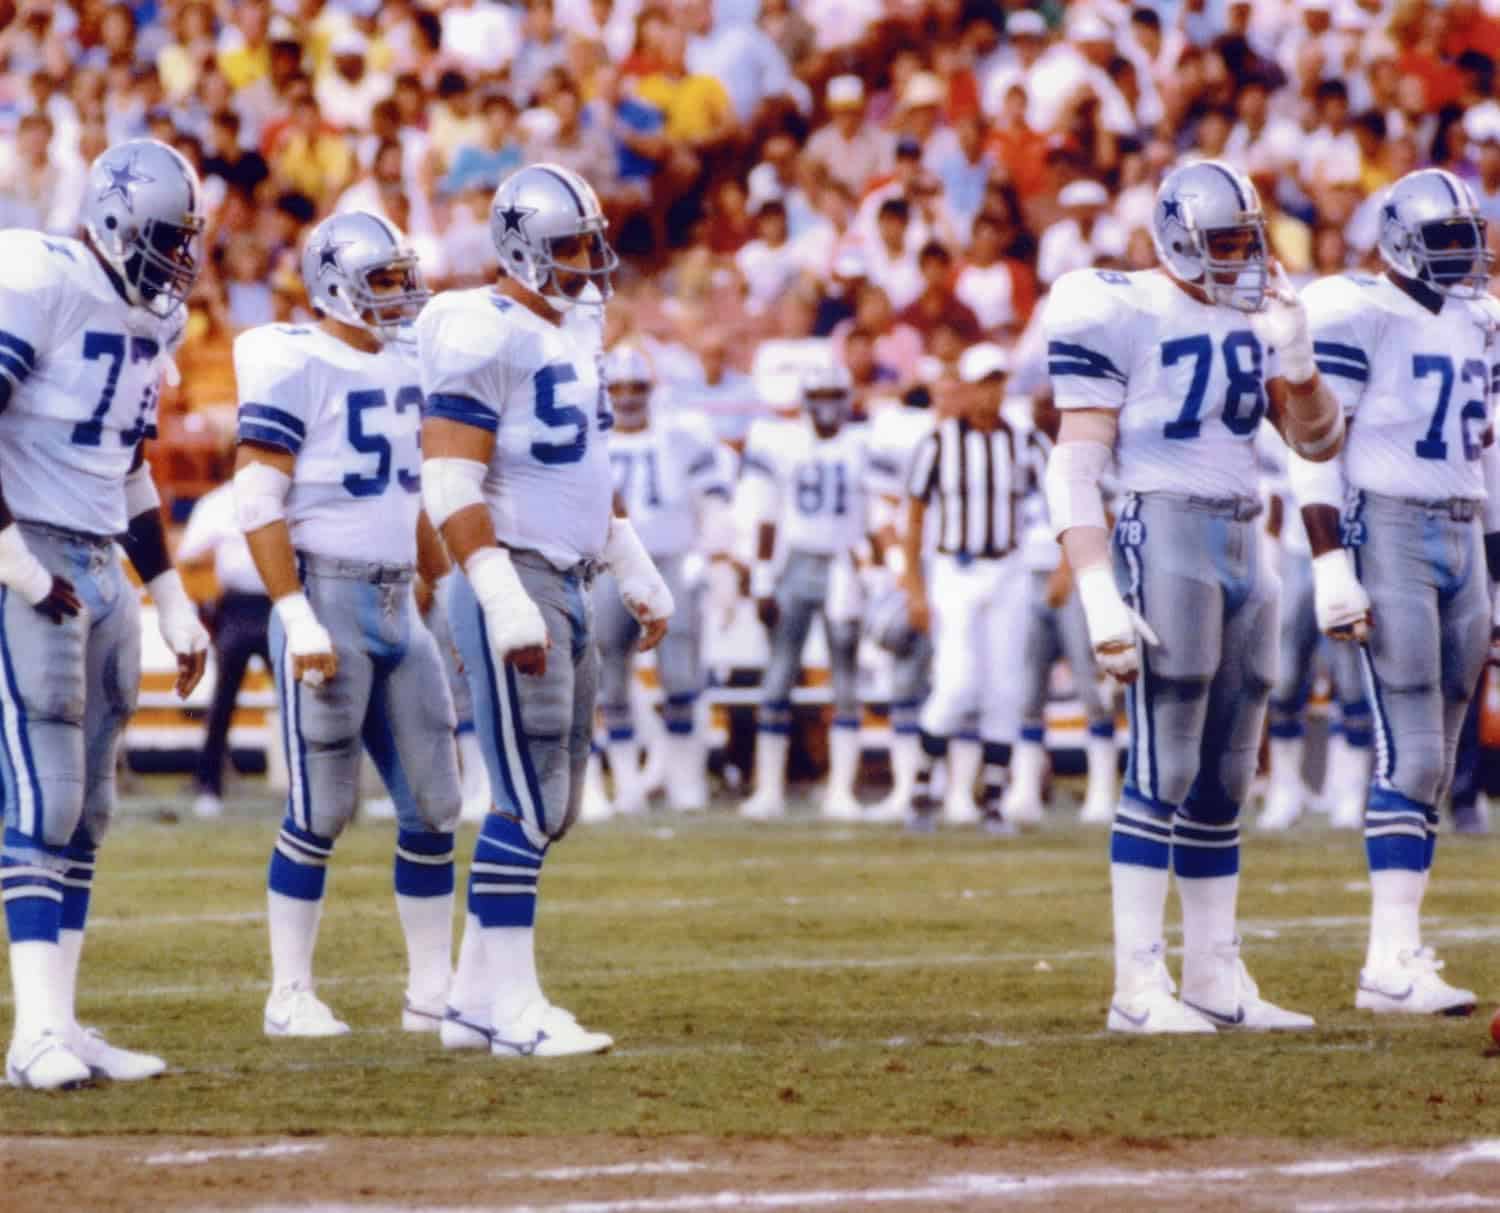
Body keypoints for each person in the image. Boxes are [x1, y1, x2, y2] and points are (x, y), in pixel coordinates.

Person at [1043, 159, 1341, 1034]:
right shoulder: (1120, 306)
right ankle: (1138, 985)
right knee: (1166, 759)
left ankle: (1214, 975)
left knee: (1225, 772)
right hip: (1162, 525)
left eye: (1248, 238)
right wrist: (1097, 589)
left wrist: (1298, 357)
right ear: (1176, 235)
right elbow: (1075, 464)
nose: (1243, 256)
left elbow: (1318, 443)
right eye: (1224, 241)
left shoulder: (1260, 314)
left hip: (1248, 527)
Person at [417, 163, 673, 1058]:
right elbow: (447, 475)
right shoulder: (478, 326)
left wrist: (632, 564)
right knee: (525, 797)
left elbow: (586, 474)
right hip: (514, 573)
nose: (588, 261)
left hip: (569, 575)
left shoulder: (572, 330)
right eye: (571, 245)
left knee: (552, 801)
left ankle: (473, 998)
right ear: (523, 248)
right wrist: (498, 592)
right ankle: (514, 1012)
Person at [0, 138, 211, 1088]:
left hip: (99, 561)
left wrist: (169, 594)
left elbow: (127, 467)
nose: (179, 259)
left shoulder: (151, 322)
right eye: (166, 238)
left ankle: (63, 1022)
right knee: (41, 796)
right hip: (31, 549)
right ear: (118, 221)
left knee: (86, 809)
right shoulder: (37, 275)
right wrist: (12, 562)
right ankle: (33, 1030)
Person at [233, 210, 462, 1039]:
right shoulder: (293, 359)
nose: (403, 293)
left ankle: (433, 991)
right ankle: (288, 992)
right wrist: (294, 614)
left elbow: (416, 501)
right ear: (335, 283)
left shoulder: (409, 360)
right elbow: (256, 499)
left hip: (402, 598)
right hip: (325, 593)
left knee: (436, 805)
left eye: (404, 275)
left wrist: (458, 592)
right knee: (321, 807)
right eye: (385, 278)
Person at [1288, 168, 1494, 1016]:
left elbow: (1488, 450)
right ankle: (1387, 960)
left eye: (1470, 233)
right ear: (1404, 239)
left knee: (1439, 760)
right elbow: (1312, 439)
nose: (1466, 250)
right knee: (1407, 747)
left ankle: (1403, 947)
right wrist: (1327, 557)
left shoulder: (1481, 320)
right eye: (1448, 236)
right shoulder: (1354, 307)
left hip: (1462, 530)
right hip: (1391, 528)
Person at [594, 343, 734, 816]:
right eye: (618, 388)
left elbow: (714, 502)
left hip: (671, 559)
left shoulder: (683, 434)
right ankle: (628, 783)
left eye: (636, 388)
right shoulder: (592, 439)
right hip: (611, 563)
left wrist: (717, 559)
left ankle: (684, 780)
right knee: (609, 677)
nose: (628, 397)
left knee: (680, 676)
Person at [901, 345, 1032, 832]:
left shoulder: (1023, 442)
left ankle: (993, 797)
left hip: (1009, 569)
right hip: (955, 570)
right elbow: (914, 517)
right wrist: (913, 586)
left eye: (999, 382)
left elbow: (1063, 496)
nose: (992, 392)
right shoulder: (938, 443)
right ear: (967, 388)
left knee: (1004, 688)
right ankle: (920, 787)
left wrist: (1065, 565)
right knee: (956, 682)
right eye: (984, 382)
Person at [738, 364, 876, 822]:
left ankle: (841, 790)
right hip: (797, 562)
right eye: (820, 396)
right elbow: (767, 515)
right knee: (778, 673)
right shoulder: (784, 443)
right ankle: (768, 790)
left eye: (835, 395)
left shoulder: (862, 445)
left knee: (845, 676)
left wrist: (875, 572)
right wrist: (761, 578)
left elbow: (875, 513)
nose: (827, 406)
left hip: (843, 564)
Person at [1002, 392, 1118, 827]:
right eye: (1038, 404)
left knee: (1090, 685)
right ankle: (1026, 791)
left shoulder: (1086, 451)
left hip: (1072, 578)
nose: (1041, 411)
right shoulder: (1019, 449)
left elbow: (1103, 513)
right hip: (1024, 575)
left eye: (1050, 404)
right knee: (1028, 690)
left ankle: (1102, 791)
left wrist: (1068, 566)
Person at [176, 463, 270, 821]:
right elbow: (188, 552)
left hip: (278, 603)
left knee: (297, 702)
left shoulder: (283, 495)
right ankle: (209, 785)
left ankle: (308, 784)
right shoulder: (218, 502)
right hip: (237, 606)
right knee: (223, 701)